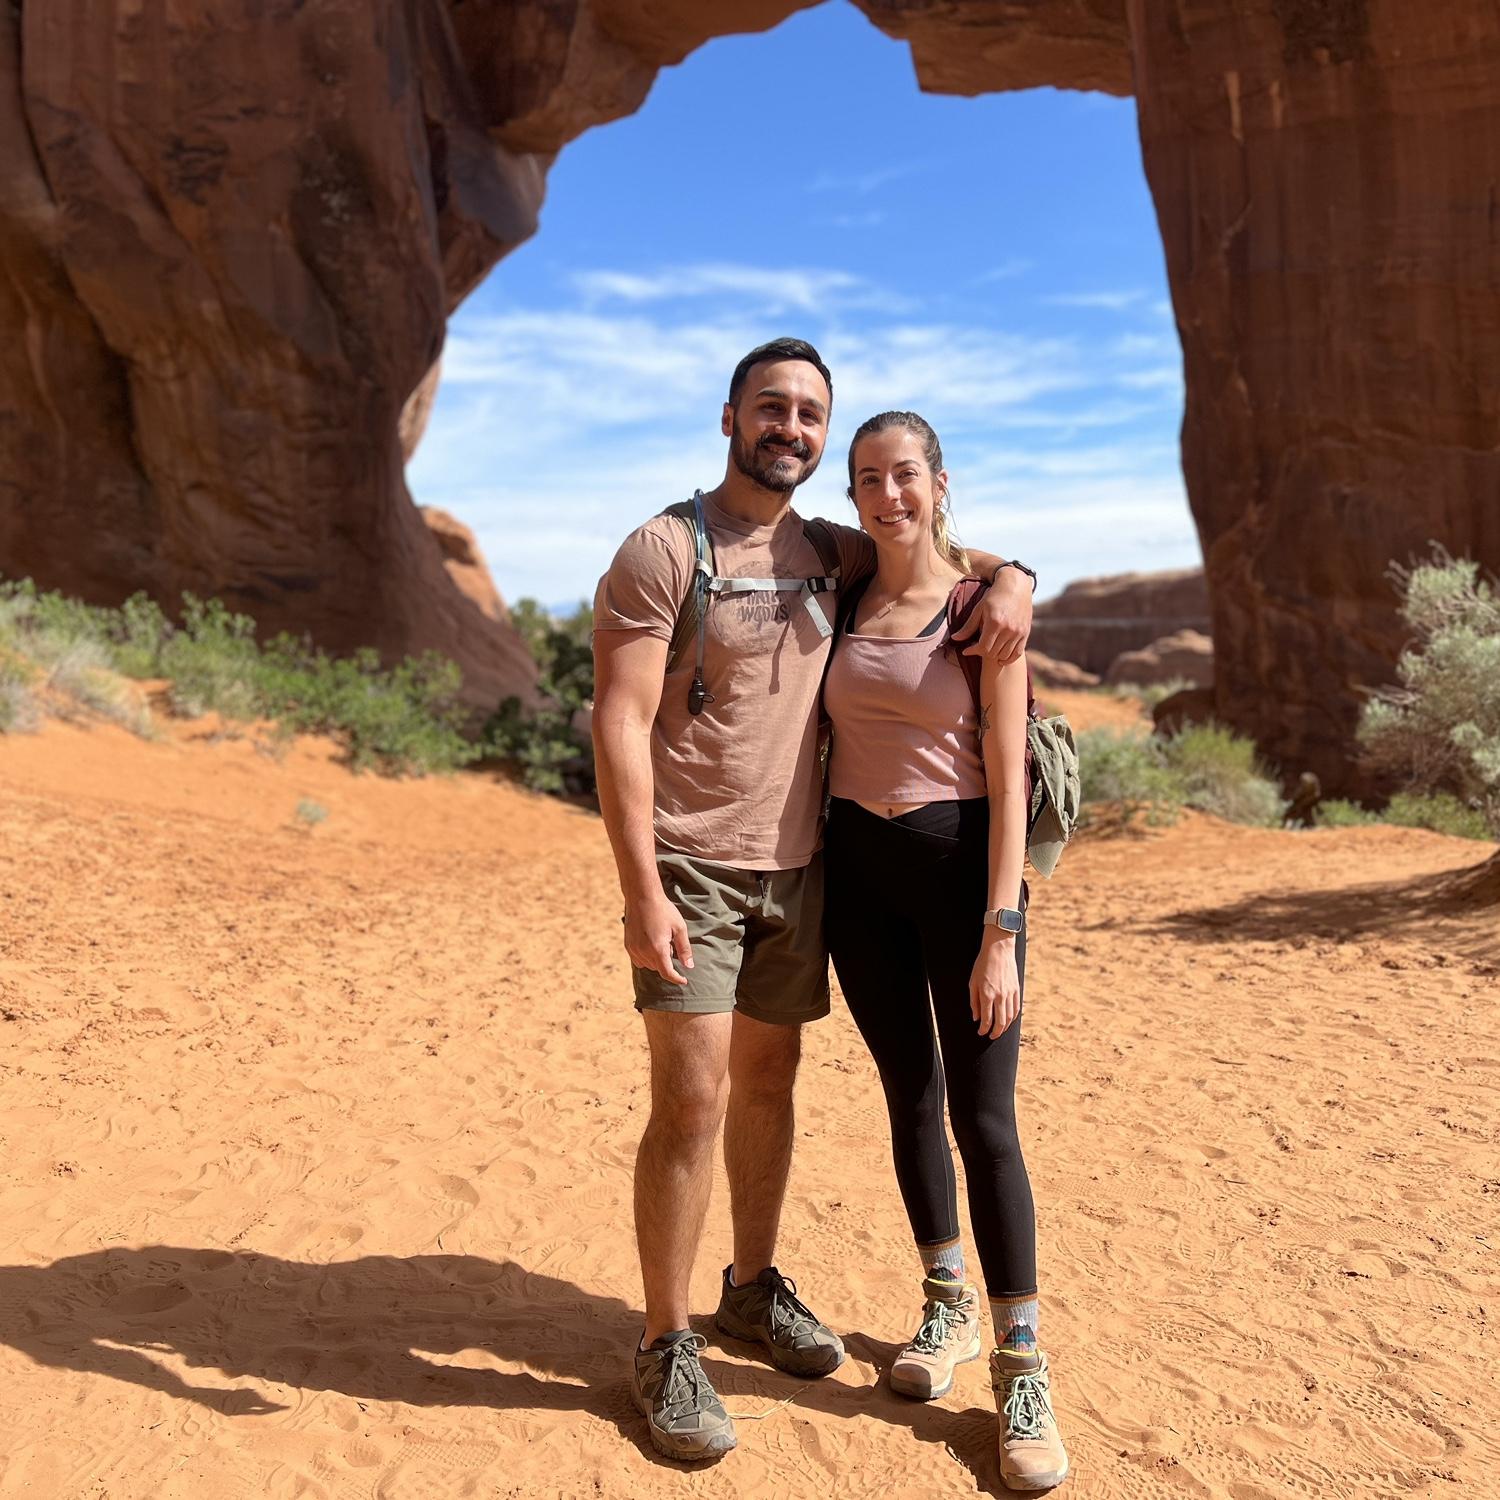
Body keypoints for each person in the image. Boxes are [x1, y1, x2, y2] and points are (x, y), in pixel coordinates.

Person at [591, 340, 1039, 1461]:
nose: (790, 427)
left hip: (801, 870)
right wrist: (641, 887)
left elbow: (929, 548)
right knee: (691, 1104)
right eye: (772, 408)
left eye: (809, 415)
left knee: (770, 1086)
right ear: (731, 415)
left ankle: (749, 1285)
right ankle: (665, 1341)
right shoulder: (663, 548)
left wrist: (1017, 573)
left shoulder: (827, 547)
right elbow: (616, 719)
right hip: (690, 863)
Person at [822, 410, 1069, 1490]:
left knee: (987, 1123)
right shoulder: (840, 592)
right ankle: (946, 1308)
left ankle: (1022, 1369)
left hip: (962, 879)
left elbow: (1010, 777)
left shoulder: (981, 612)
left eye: (907, 475)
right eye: (870, 477)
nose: (890, 495)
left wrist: (1001, 932)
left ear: (939, 480)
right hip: (857, 888)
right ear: (853, 491)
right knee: (908, 1101)